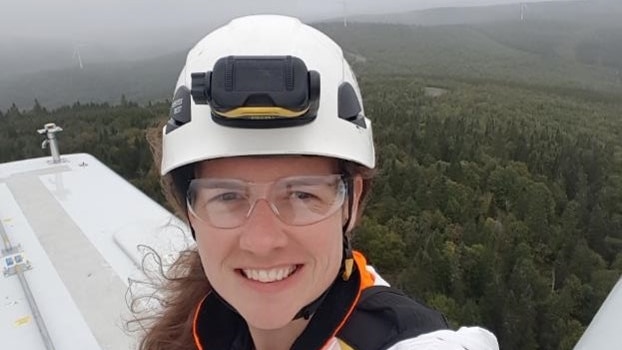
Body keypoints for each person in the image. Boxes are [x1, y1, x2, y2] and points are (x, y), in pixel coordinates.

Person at [137, 14, 499, 350]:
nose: (263, 241)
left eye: (301, 194)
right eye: (228, 196)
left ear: (351, 203)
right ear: (190, 211)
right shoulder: (201, 326)